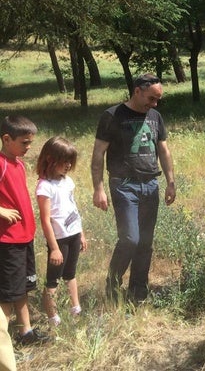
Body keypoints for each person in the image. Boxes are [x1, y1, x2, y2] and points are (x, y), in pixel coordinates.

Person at [91, 73, 176, 302]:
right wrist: (98, 188)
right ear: (137, 91)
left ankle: (138, 291)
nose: (154, 104)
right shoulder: (112, 115)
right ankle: (113, 285)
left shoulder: (155, 116)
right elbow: (99, 153)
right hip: (123, 185)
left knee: (145, 242)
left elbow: (163, 151)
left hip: (150, 184)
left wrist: (170, 182)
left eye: (158, 99)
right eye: (151, 98)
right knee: (130, 239)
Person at [0, 115, 48, 345]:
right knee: (7, 293)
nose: (29, 147)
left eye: (30, 142)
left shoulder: (17, 162)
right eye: (24, 143)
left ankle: (25, 333)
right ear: (7, 139)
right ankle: (3, 344)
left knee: (22, 288)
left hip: (23, 236)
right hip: (7, 240)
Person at [36, 136, 87, 326]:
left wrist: (81, 233)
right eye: (64, 161)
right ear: (50, 159)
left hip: (73, 235)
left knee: (71, 274)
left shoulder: (68, 181)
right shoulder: (45, 187)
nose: (68, 165)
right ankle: (53, 318)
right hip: (59, 240)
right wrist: (54, 248)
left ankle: (76, 309)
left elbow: (74, 207)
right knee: (53, 280)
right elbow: (45, 220)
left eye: (70, 161)